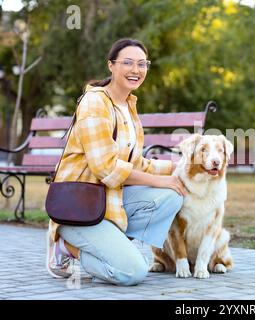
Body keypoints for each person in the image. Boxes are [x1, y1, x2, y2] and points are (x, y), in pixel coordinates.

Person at [46, 38, 188, 286]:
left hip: (110, 204)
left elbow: (136, 163)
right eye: (128, 63)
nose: (136, 70)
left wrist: (180, 168)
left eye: (142, 64)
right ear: (111, 65)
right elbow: (105, 167)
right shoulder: (95, 102)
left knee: (172, 196)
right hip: (80, 209)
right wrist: (159, 180)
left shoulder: (129, 106)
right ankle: (68, 249)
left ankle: (113, 246)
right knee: (133, 272)